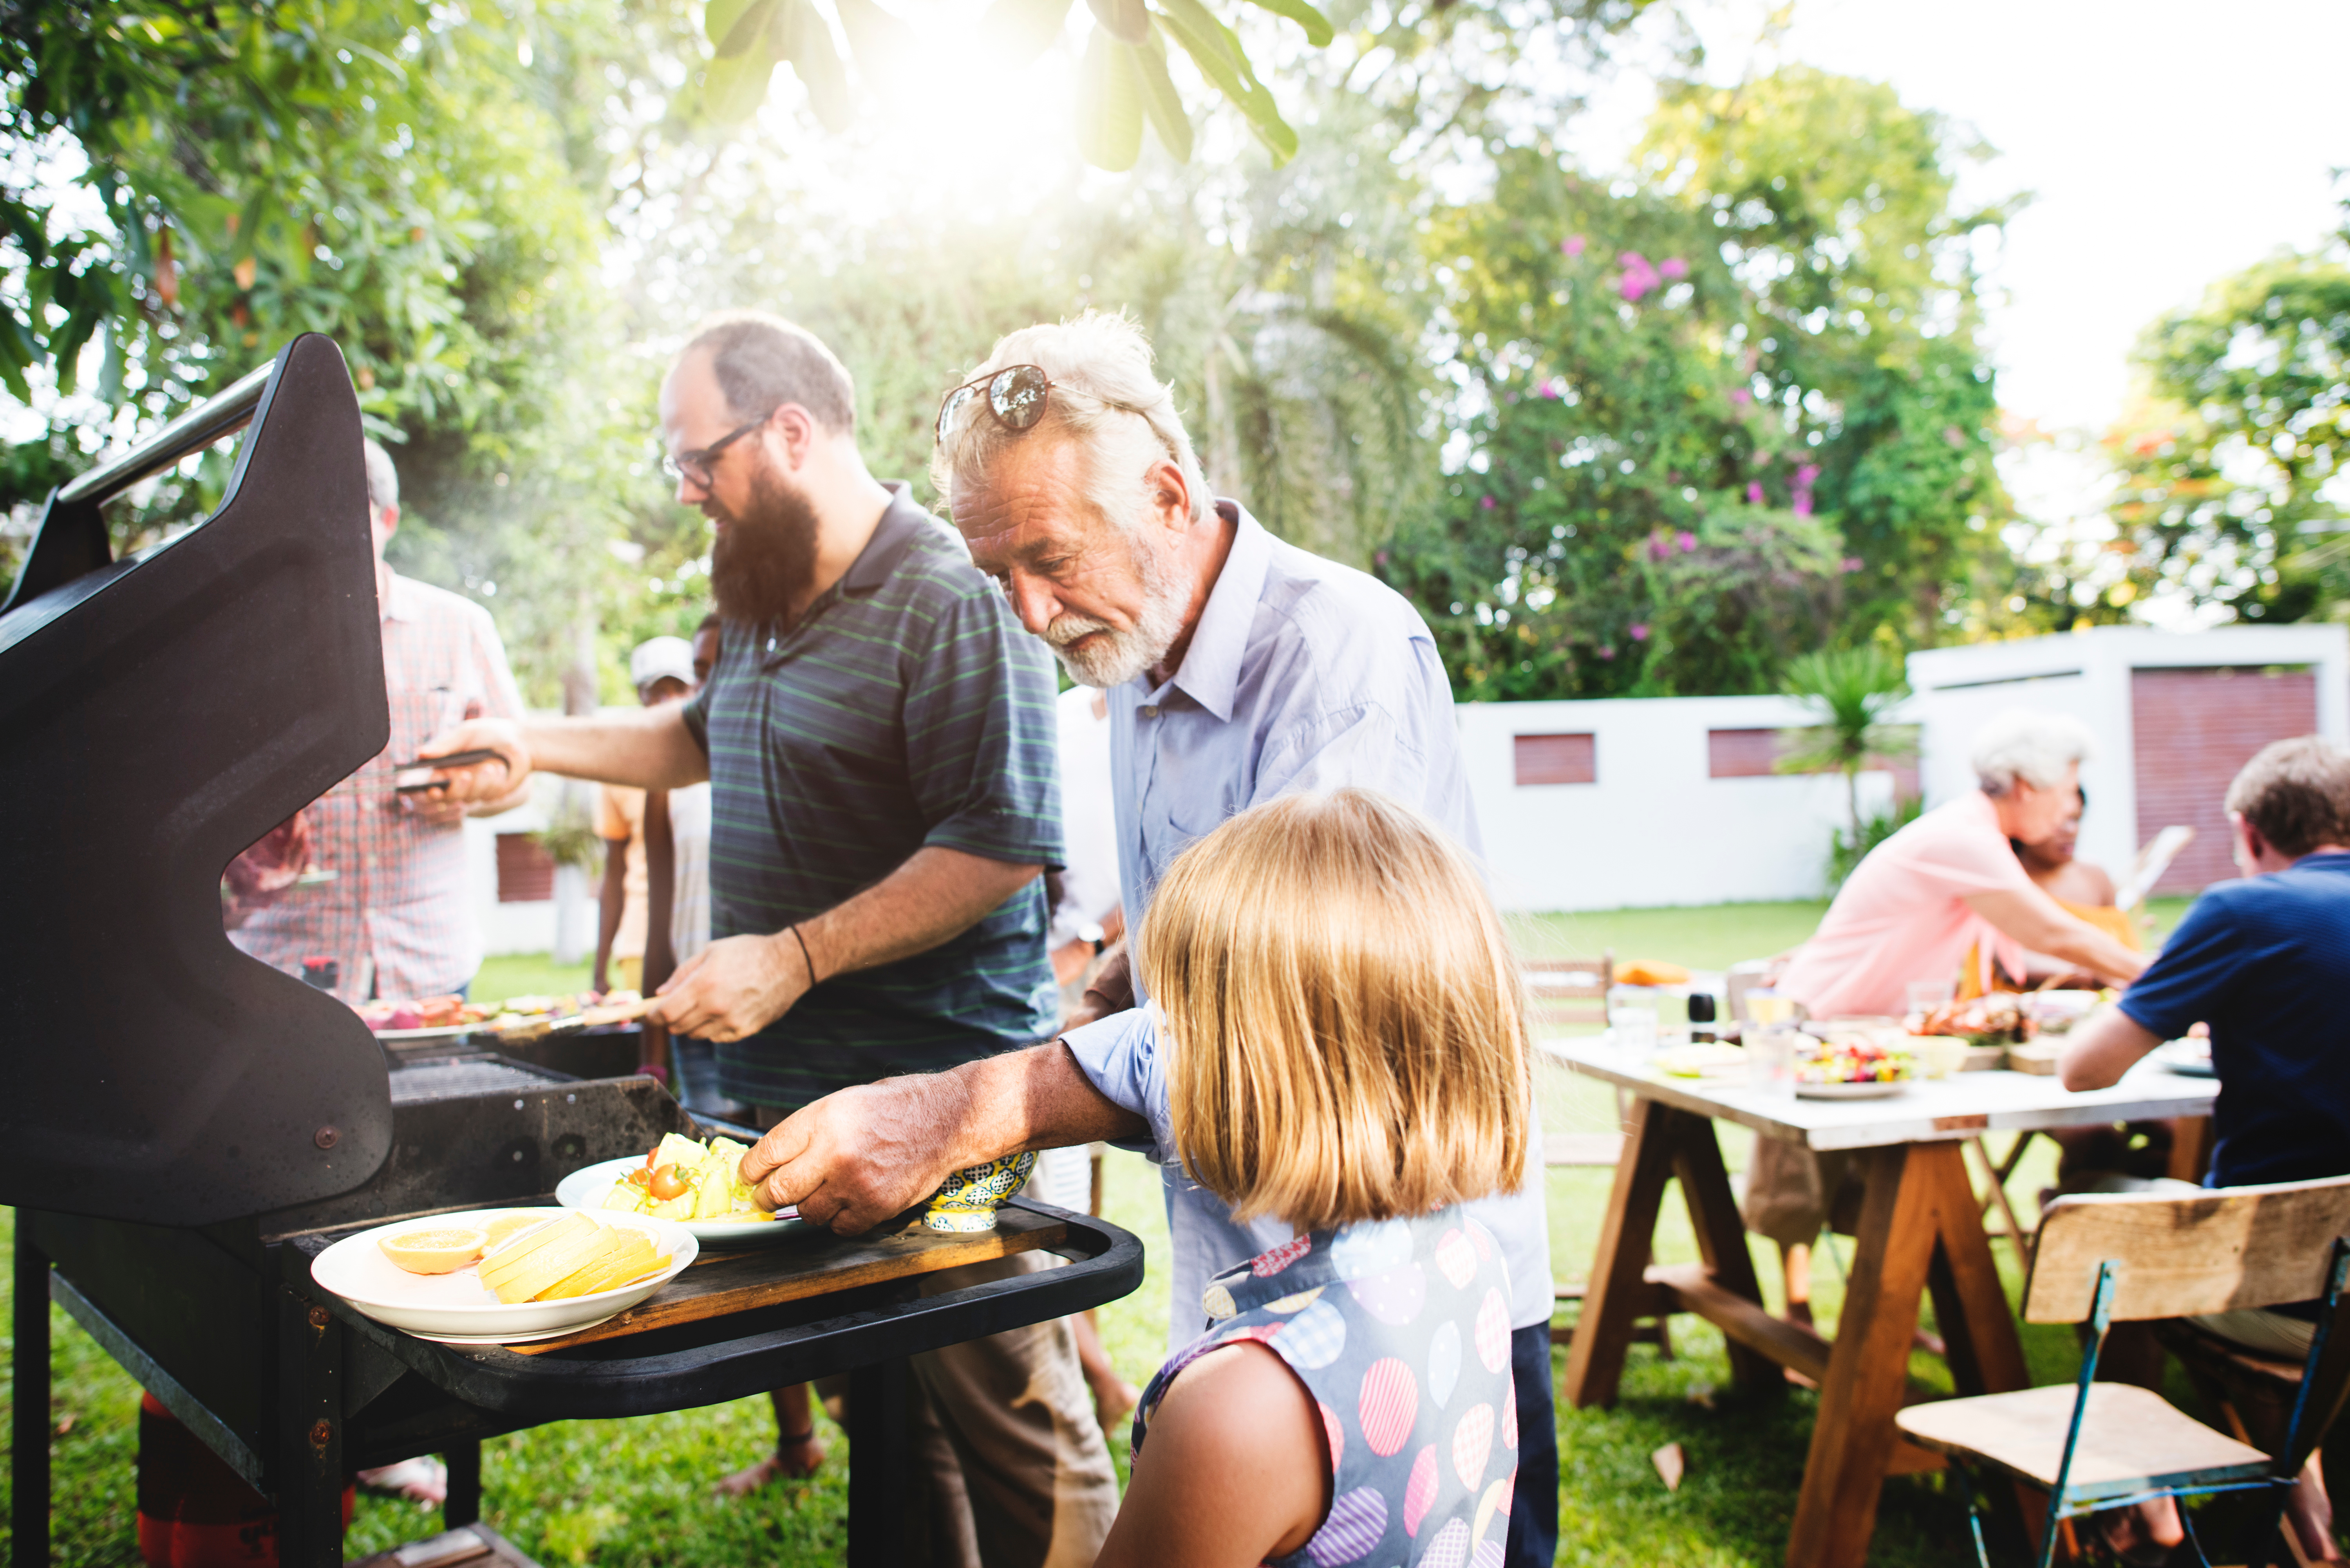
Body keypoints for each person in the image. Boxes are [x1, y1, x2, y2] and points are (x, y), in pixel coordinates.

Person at [730, 309, 1562, 1568]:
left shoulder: (1335, 657)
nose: (1026, 609)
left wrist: (964, 1107)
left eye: (1048, 557)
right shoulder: (1131, 642)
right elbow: (1199, 935)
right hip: (1256, 1265)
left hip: (1400, 1285)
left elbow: (1306, 1015)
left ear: (1168, 492)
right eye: (994, 570)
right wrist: (1105, 986)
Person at [415, 312, 1115, 1563]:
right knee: (887, 1414)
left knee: (1015, 1428)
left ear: (790, 431)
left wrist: (790, 954)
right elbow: (695, 736)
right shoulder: (758, 591)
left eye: (701, 460)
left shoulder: (955, 593)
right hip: (784, 1110)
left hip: (937, 1106)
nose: (688, 491)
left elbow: (1000, 841)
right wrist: (530, 740)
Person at [1097, 788, 1525, 1568]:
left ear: (1269, 1069)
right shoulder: (1470, 1259)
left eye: (1182, 1022)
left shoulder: (1236, 1411)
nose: (1165, 1057)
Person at [1748, 711, 2153, 1326]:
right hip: (1821, 1017)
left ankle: (1878, 1325)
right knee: (1798, 1192)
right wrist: (2163, 981)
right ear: (2027, 784)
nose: (2072, 804)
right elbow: (2046, 927)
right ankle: (1794, 1322)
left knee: (1880, 1186)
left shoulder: (1978, 837)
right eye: (2069, 786)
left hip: (1873, 1026)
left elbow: (2031, 938)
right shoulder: (1963, 836)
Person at [2058, 735, 2350, 1564]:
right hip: (2333, 1268)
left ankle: (2143, 1493)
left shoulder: (2245, 912)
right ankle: (2291, 1497)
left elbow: (2084, 1071)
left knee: (2090, 1205)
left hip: (2295, 1290)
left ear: (2249, 830)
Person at [228, 438, 528, 1006]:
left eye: (347, 521)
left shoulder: (459, 625)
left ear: (388, 519)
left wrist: (470, 795)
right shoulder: (245, 643)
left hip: (427, 956)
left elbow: (521, 774)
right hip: (284, 960)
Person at [592, 636, 698, 999]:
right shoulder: (621, 768)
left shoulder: (721, 754)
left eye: (679, 688)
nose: (669, 700)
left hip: (702, 933)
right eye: (658, 690)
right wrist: (599, 967)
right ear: (641, 695)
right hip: (640, 940)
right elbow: (614, 870)